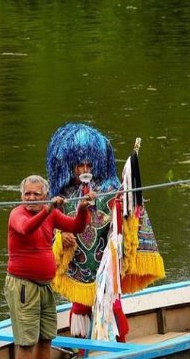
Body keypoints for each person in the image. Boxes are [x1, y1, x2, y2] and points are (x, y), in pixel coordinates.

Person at [46, 123, 165, 343]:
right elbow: (49, 230)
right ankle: (82, 349)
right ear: (70, 165)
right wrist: (61, 238)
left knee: (112, 303)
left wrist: (127, 209)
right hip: (77, 265)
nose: (84, 170)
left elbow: (129, 222)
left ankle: (120, 347)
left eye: (88, 165)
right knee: (80, 307)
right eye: (79, 165)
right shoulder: (61, 195)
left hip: (105, 264)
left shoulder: (112, 190)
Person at [5, 174, 95, 359]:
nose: (30, 198)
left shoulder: (51, 214)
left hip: (45, 286)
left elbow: (77, 227)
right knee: (27, 342)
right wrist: (47, 209)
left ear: (45, 194)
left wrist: (81, 209)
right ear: (21, 196)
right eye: (27, 194)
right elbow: (26, 229)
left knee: (46, 337)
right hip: (23, 286)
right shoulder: (17, 214)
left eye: (36, 194)